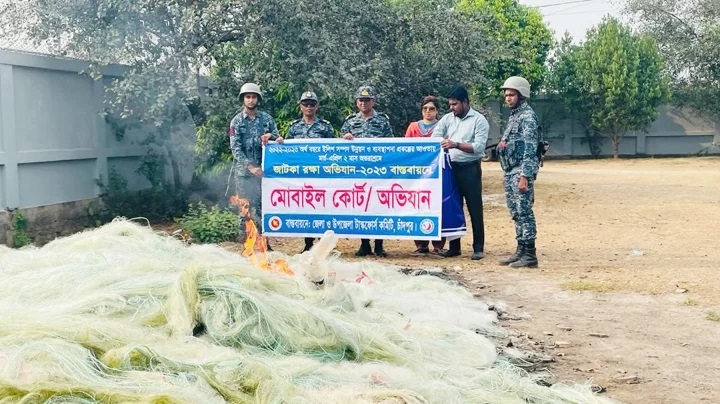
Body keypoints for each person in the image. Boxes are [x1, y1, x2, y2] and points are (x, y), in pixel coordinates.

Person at [432, 86, 488, 260]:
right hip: (450, 168)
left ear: (465, 102)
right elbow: (435, 136)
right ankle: (454, 247)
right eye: (450, 104)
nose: (452, 108)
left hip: (470, 168)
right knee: (453, 207)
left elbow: (479, 148)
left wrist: (455, 144)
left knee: (474, 208)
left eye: (455, 104)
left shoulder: (479, 120)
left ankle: (478, 247)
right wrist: (442, 142)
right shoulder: (448, 119)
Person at [341, 85, 393, 257]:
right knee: (360, 207)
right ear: (356, 102)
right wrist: (346, 139)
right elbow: (341, 147)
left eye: (367, 100)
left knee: (378, 207)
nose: (364, 103)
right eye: (360, 100)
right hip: (357, 173)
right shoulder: (350, 122)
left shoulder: (383, 121)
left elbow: (391, 145)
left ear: (373, 101)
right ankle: (364, 244)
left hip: (378, 173)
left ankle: (379, 245)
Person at [228, 82, 280, 246]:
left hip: (265, 173)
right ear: (243, 99)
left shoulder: (266, 119)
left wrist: (270, 136)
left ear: (258, 99)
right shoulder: (236, 122)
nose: (251, 100)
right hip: (244, 174)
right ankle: (246, 245)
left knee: (264, 208)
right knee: (245, 208)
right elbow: (235, 149)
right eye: (248, 97)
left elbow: (278, 140)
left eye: (254, 97)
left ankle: (264, 243)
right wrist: (250, 167)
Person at [497, 76, 540, 268]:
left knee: (524, 212)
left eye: (511, 95)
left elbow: (531, 149)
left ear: (521, 95)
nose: (508, 98)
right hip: (510, 171)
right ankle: (520, 249)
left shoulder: (527, 117)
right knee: (515, 212)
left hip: (520, 172)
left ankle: (530, 254)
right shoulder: (515, 115)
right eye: (506, 95)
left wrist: (525, 176)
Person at [285, 91, 335, 253]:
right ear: (300, 106)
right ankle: (308, 242)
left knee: (321, 207)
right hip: (301, 176)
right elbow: (285, 150)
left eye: (312, 104)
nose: (309, 107)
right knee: (305, 207)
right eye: (305, 104)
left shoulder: (325, 127)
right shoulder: (294, 128)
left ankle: (322, 244)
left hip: (321, 175)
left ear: (317, 106)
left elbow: (334, 149)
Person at [405, 95, 447, 256]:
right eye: (425, 108)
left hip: (437, 174)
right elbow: (407, 148)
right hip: (417, 175)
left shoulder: (443, 126)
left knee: (438, 205)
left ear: (437, 111)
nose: (428, 112)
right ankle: (420, 244)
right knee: (417, 205)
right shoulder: (413, 127)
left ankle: (438, 244)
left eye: (432, 109)